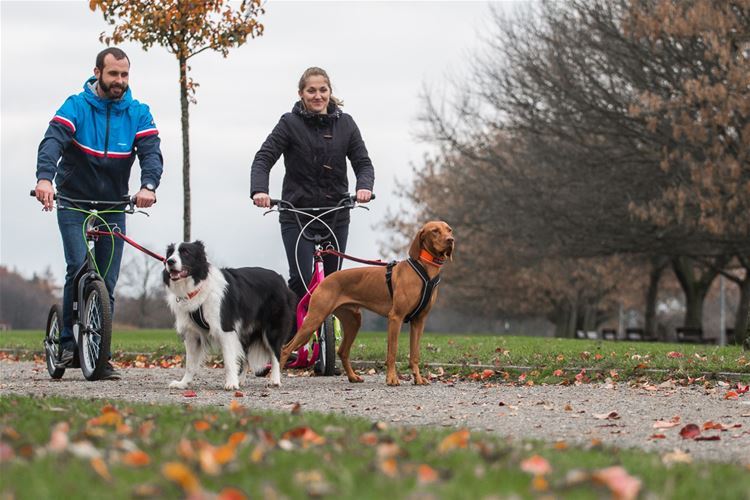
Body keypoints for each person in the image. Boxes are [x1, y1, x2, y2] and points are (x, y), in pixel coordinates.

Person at [34, 47, 163, 379]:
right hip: (73, 200)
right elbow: (52, 142)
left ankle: (98, 354)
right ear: (98, 73)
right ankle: (65, 343)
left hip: (114, 204)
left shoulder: (138, 112)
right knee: (77, 267)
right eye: (113, 74)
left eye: (124, 75)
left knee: (107, 280)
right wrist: (45, 179)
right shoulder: (76, 106)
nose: (119, 81)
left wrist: (148, 185)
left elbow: (151, 153)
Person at [251, 66, 375, 303]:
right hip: (296, 213)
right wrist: (260, 190)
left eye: (323, 90)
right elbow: (263, 158)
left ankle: (328, 333)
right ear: (301, 94)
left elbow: (363, 163)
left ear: (329, 92)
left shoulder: (346, 124)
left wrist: (364, 186)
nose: (317, 96)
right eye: (311, 91)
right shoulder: (289, 123)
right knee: (300, 279)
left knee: (333, 281)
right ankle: (295, 334)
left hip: (335, 213)